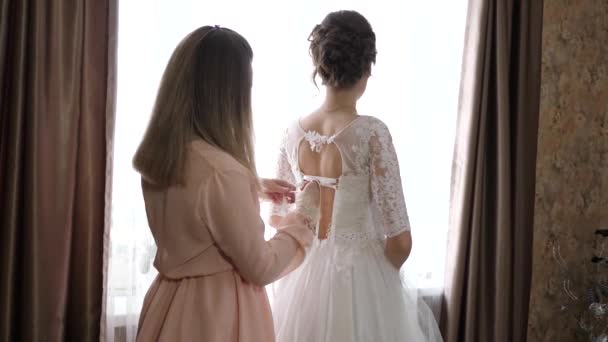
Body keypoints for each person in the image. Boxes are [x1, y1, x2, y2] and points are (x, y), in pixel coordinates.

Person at [132, 25, 320, 342]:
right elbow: (262, 267)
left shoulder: (160, 157)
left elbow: (194, 200)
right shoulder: (223, 174)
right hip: (216, 317)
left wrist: (252, 186)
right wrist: (302, 218)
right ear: (228, 95)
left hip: (167, 307)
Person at [269, 11, 443, 341]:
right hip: (360, 277)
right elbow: (400, 241)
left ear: (320, 66)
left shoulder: (291, 134)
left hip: (301, 280)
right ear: (367, 67)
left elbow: (278, 219)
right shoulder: (372, 134)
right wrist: (377, 276)